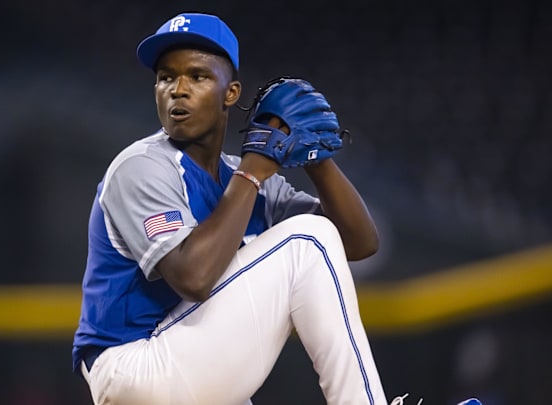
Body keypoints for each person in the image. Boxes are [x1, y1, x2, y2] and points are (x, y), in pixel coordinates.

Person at [73, 11, 391, 405]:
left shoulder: (244, 178)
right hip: (135, 365)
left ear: (232, 93)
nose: (178, 89)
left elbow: (360, 243)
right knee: (308, 237)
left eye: (198, 76)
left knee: (316, 239)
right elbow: (194, 278)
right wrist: (254, 171)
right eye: (166, 77)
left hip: (187, 361)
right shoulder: (142, 166)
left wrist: (315, 156)